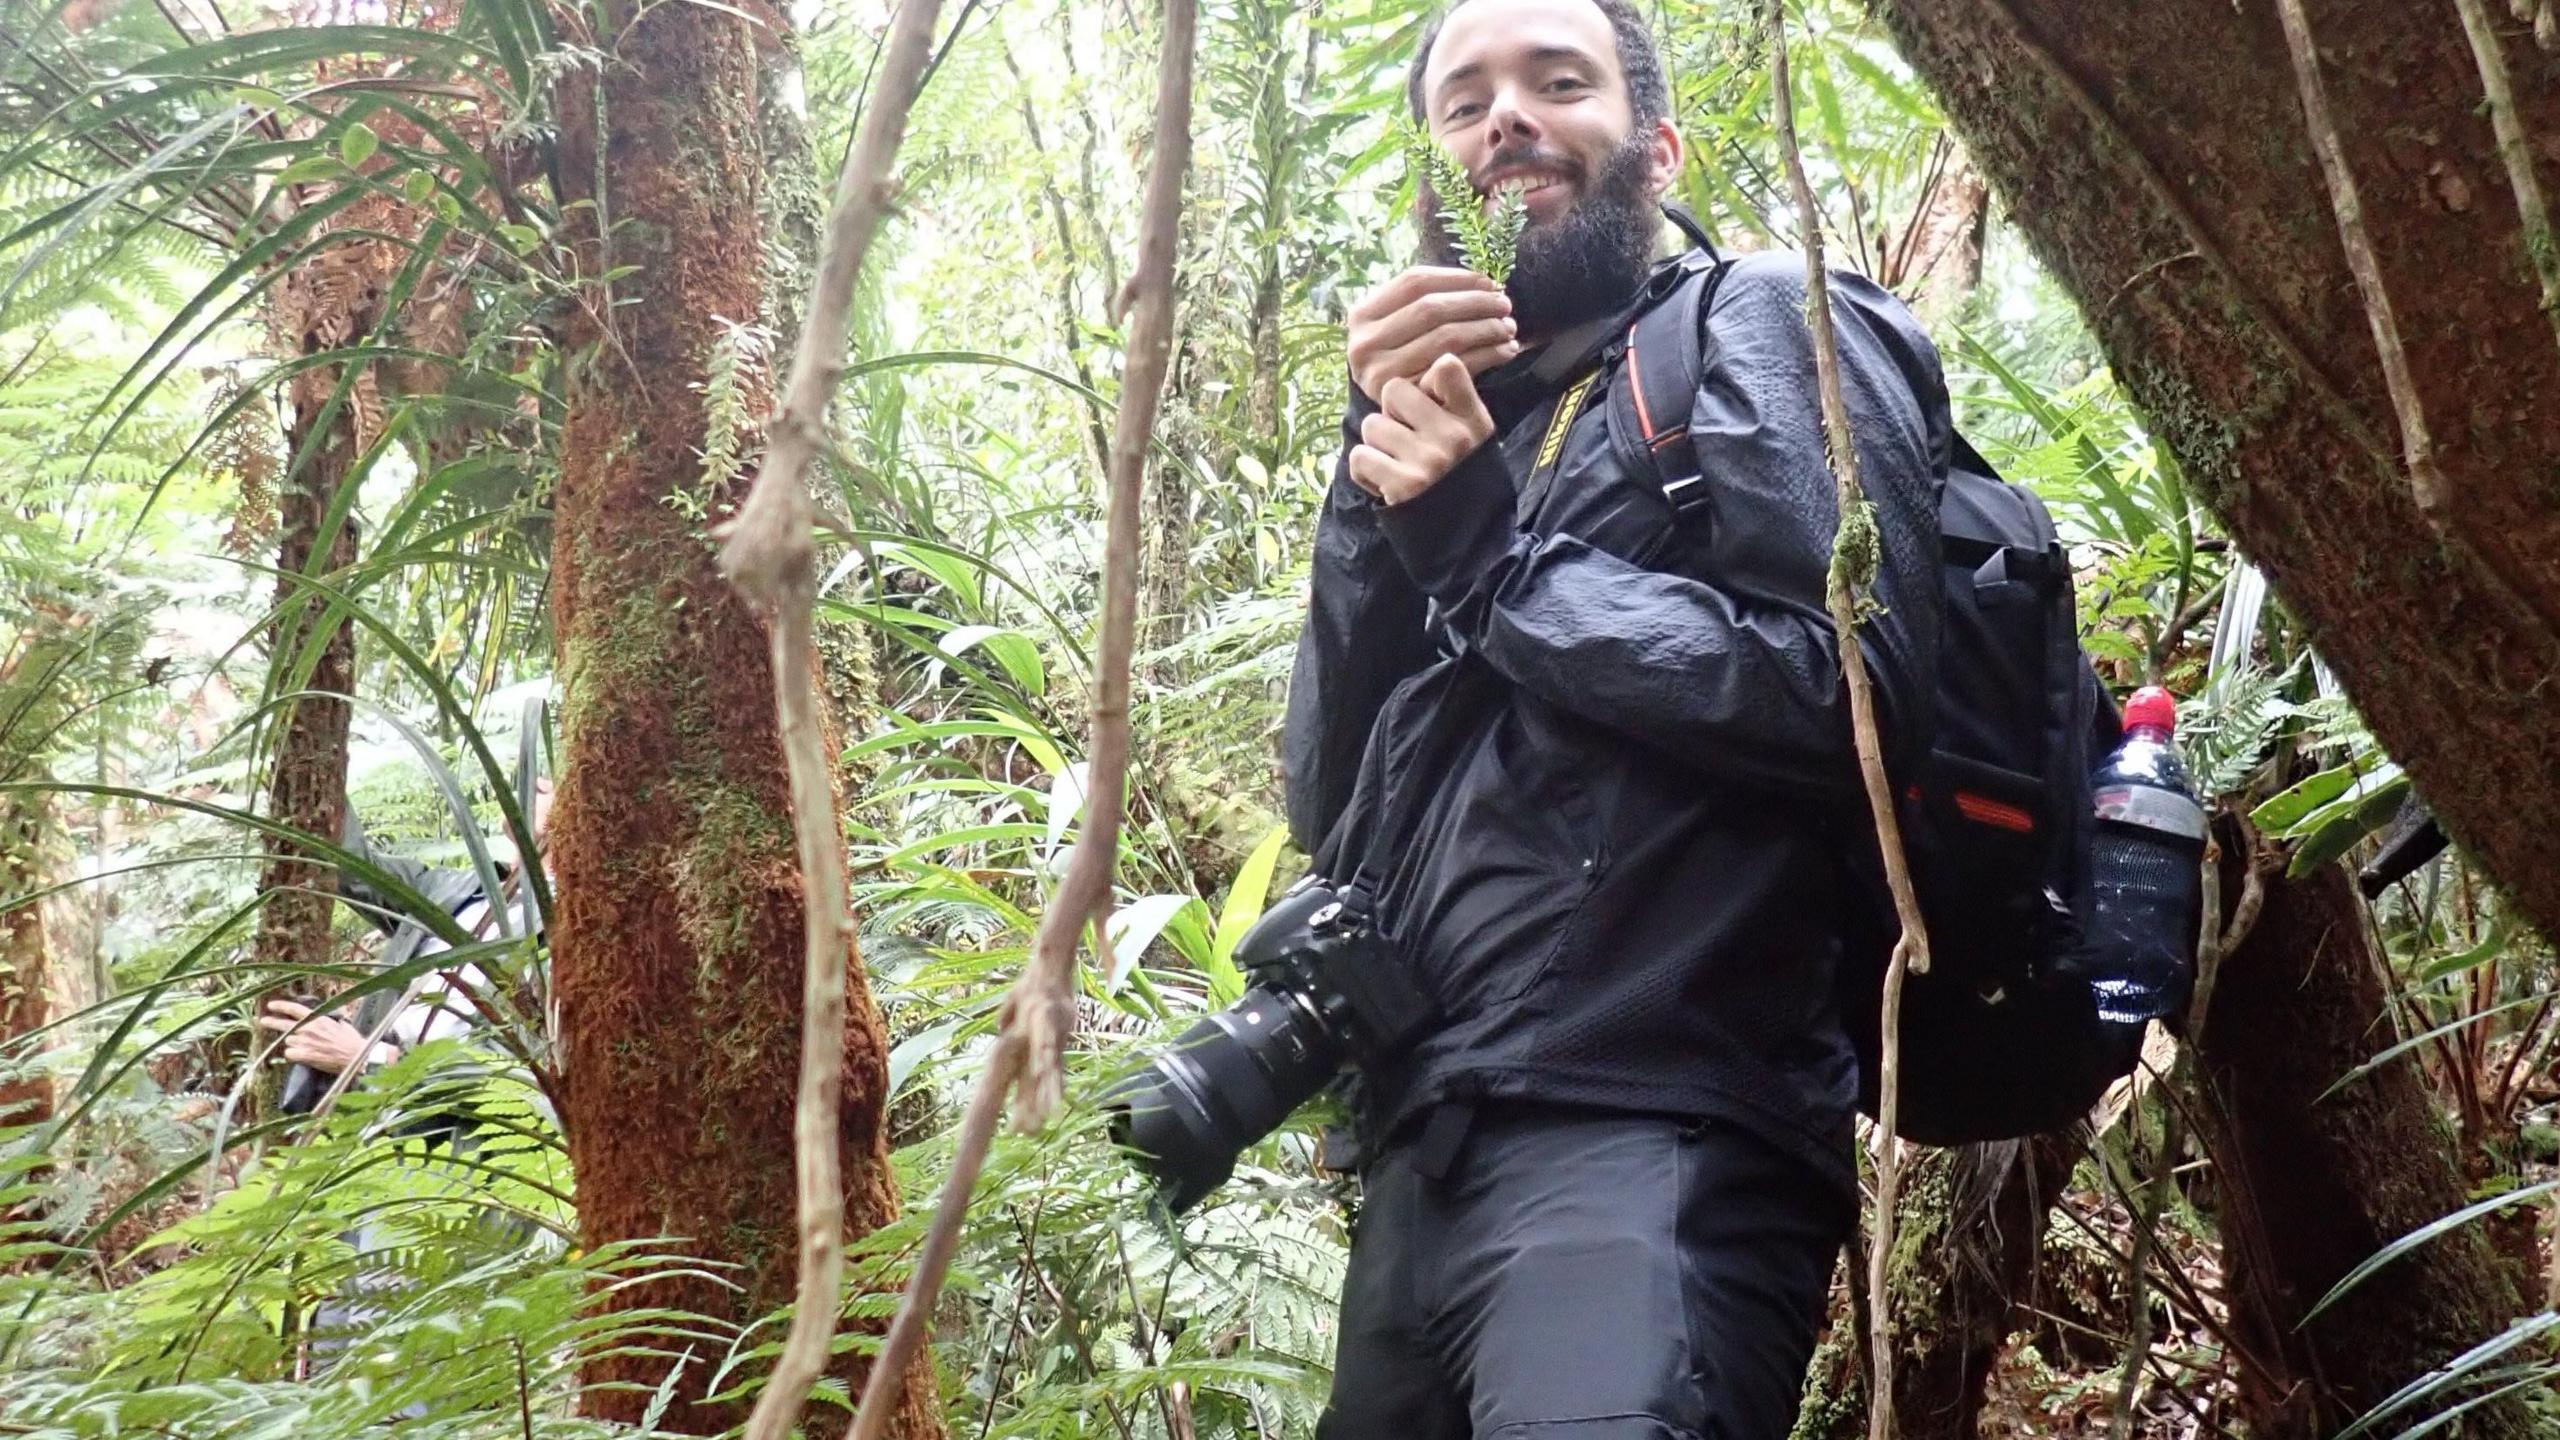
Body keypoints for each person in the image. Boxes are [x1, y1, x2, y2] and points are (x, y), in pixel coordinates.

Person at [1282, 0, 1950, 1434]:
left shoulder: (1761, 319)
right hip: (1425, 1164)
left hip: (1658, 1136)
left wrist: (1492, 556)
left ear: (1659, 145)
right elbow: (1333, 810)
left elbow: (1856, 695)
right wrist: (1371, 489)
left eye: (1555, 81)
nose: (1504, 117)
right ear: (1438, 179)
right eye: (1464, 102)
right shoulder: (1473, 434)